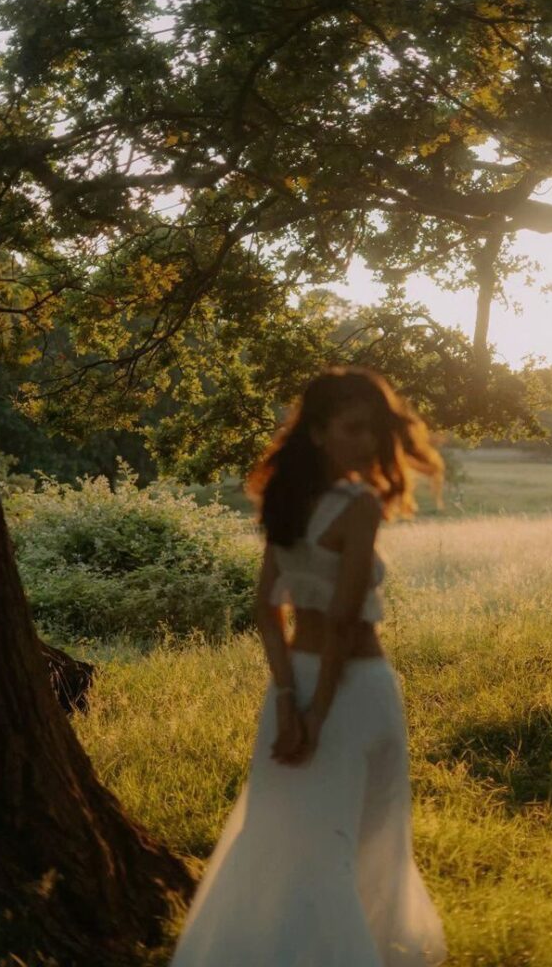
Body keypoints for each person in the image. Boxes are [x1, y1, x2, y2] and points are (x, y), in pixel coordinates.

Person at [170, 365, 447, 967]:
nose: (369, 443)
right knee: (360, 836)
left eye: (373, 430)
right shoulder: (358, 506)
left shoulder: (286, 499)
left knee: (291, 835)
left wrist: (288, 699)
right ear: (318, 432)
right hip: (356, 688)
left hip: (295, 684)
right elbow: (344, 625)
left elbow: (268, 609)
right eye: (353, 429)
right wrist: (315, 713)